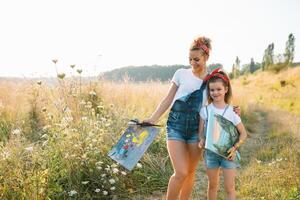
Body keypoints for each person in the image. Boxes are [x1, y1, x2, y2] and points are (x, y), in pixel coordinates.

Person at [143, 36, 212, 200]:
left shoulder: (211, 80)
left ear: (206, 57)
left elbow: (215, 105)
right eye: (190, 59)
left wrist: (233, 111)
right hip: (175, 127)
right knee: (180, 172)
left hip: (197, 129)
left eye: (197, 59)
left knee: (190, 172)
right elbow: (168, 99)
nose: (193, 63)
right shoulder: (181, 73)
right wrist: (153, 119)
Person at [198, 69, 247, 200]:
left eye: (219, 89)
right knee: (212, 186)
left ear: (226, 89)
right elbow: (201, 133)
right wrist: (201, 140)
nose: (215, 92)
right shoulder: (205, 111)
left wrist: (235, 147)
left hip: (228, 154)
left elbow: (243, 134)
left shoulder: (232, 111)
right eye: (212, 90)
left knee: (229, 187)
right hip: (210, 154)